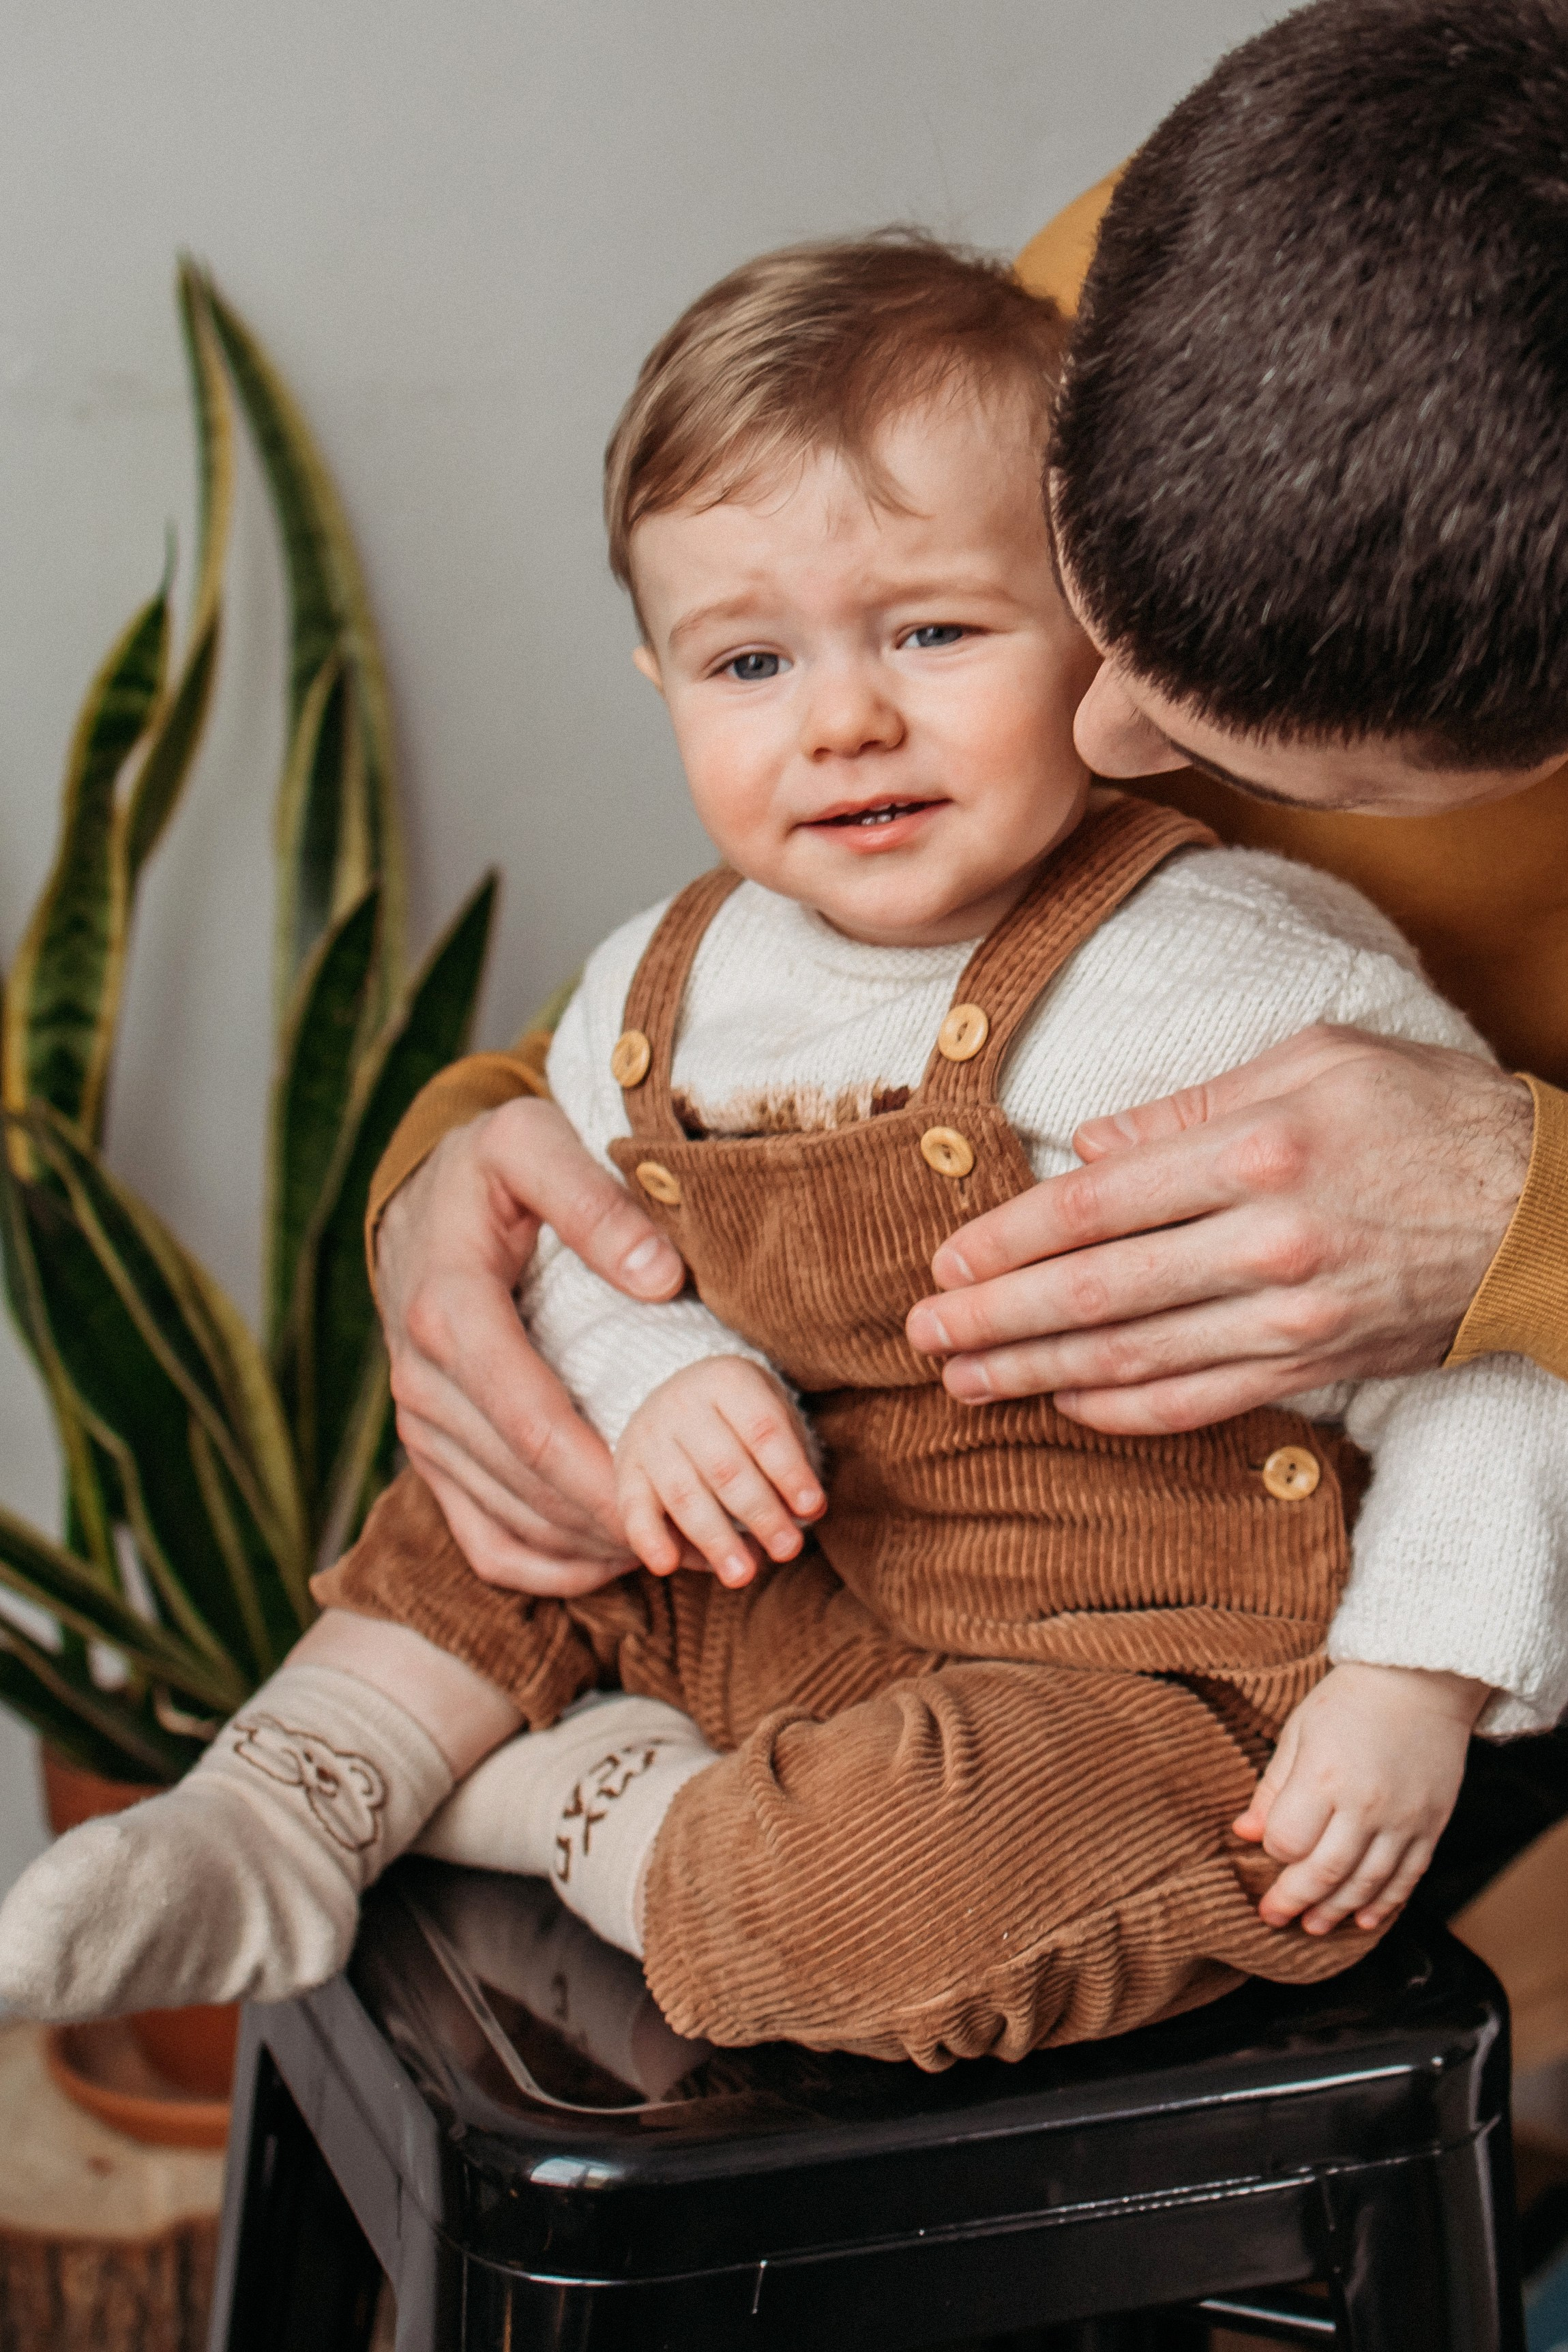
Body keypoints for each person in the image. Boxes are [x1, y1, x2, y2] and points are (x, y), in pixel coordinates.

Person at [4, 234, 1564, 2068]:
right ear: (657, 671)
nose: (842, 721)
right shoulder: (664, 981)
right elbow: (596, 1237)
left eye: (931, 632)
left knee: (913, 1901)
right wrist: (647, 1376)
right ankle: (294, 1789)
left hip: (1115, 1670)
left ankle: (575, 1811)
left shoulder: (1227, 982)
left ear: (1098, 624)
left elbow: (1499, 1358)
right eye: (748, 660)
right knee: (509, 1486)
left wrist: (1405, 1687)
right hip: (779, 1572)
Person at [364, 0, 1568, 1907]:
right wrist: (478, 1142)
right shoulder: (1154, 283)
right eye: (1082, 624)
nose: (1094, 755)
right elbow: (833, 925)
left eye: (1212, 748)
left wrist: (1531, 1220)